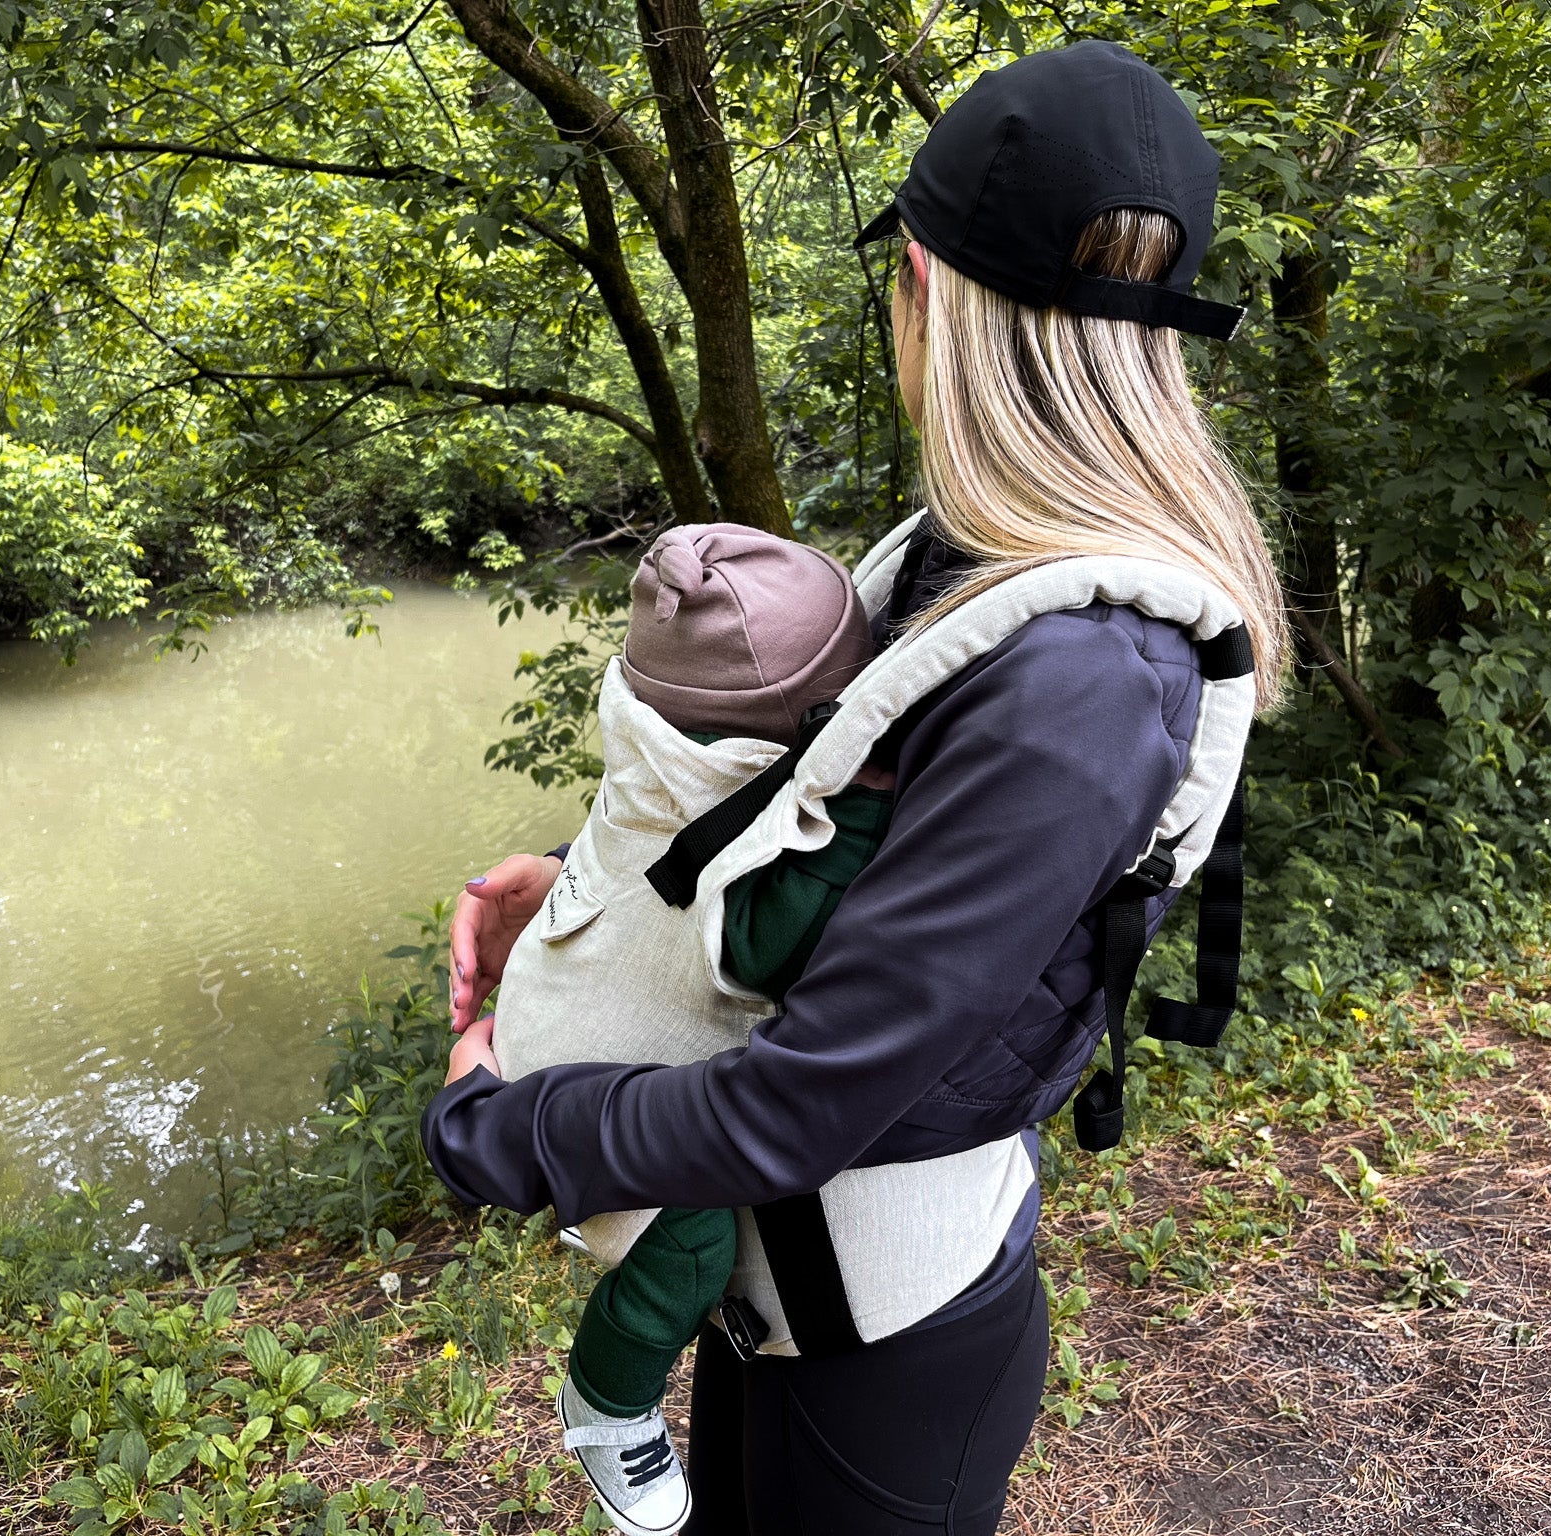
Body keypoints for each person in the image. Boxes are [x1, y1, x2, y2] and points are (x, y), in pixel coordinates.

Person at [423, 38, 1288, 1536]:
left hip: (885, 1352)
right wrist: (596, 887)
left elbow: (795, 1109)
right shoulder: (977, 558)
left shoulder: (1083, 677)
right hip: (785, 1308)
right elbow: (835, 838)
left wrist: (493, 1129)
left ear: (925, 289)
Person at [489, 523, 895, 1535]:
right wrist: (859, 822)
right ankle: (606, 1400)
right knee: (691, 1246)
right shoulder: (724, 794)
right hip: (585, 1058)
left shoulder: (654, 739)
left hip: (552, 979)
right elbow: (755, 944)